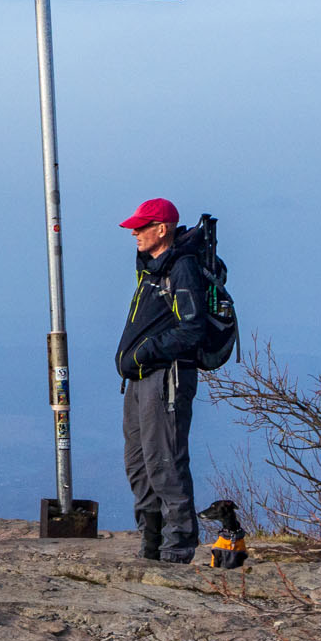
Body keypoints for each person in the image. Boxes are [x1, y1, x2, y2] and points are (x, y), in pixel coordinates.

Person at [115, 198, 207, 563]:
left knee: (164, 461)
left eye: (142, 226)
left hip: (166, 378)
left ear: (162, 228)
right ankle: (151, 544)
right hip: (140, 379)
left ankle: (177, 548)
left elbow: (192, 328)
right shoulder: (153, 269)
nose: (135, 232)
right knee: (138, 463)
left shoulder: (181, 269)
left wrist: (147, 352)